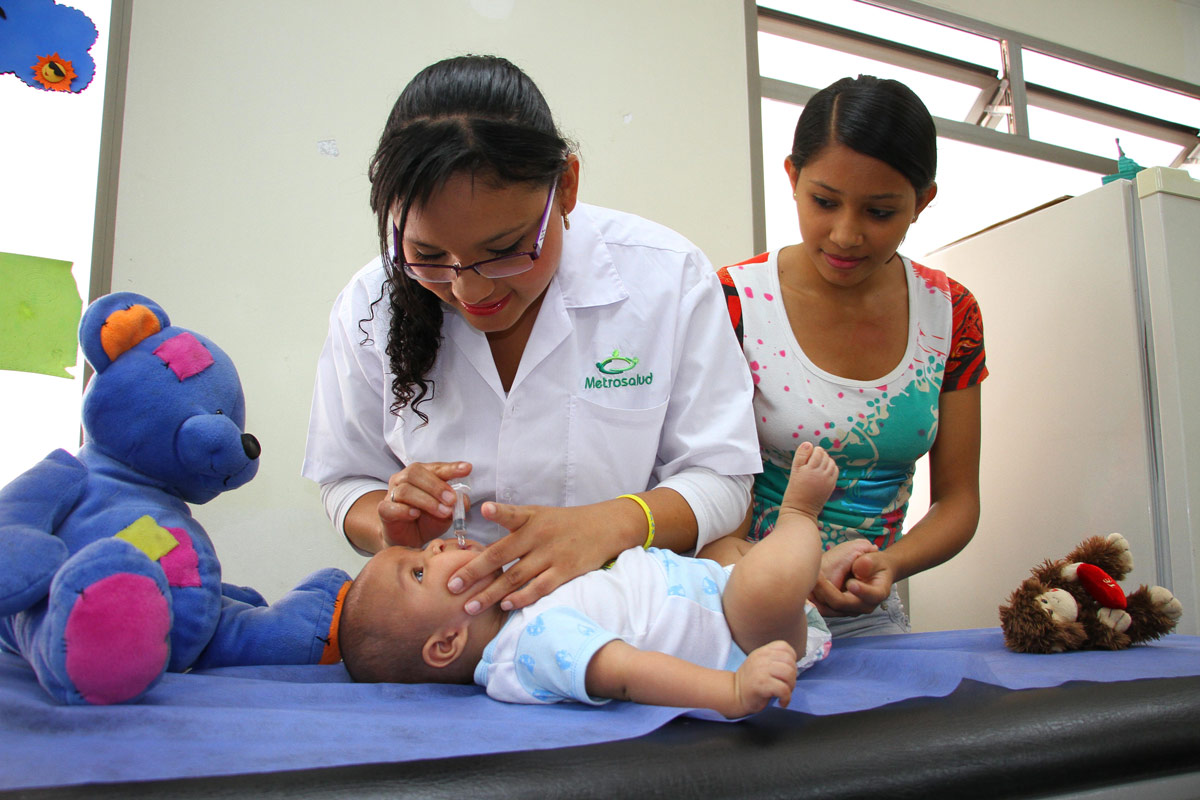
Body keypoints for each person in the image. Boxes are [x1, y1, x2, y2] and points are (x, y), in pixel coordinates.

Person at [302, 55, 760, 618]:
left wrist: (609, 526)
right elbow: (345, 477)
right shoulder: (369, 303)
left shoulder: (668, 277)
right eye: (428, 255)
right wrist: (387, 522)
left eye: (504, 250)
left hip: (628, 629)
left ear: (564, 187)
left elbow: (724, 477)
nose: (470, 289)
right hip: (456, 641)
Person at [714, 75, 987, 637]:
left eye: (879, 212)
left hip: (867, 613)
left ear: (922, 202)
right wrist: (780, 577)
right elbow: (708, 494)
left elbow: (959, 500)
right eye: (824, 201)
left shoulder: (951, 313)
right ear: (791, 177)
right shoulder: (735, 304)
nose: (845, 235)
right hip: (740, 604)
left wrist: (890, 563)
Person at [338, 443, 836, 718]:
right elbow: (628, 672)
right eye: (420, 570)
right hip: (745, 635)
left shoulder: (516, 598)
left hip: (712, 583)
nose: (439, 544)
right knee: (765, 585)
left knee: (726, 551)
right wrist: (729, 691)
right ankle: (799, 515)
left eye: (423, 547)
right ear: (447, 643)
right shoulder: (533, 645)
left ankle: (812, 575)